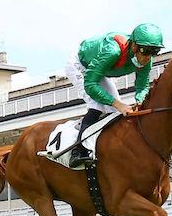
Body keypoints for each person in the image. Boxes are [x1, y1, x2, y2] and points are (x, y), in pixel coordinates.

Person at [64, 23, 163, 168]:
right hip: (80, 65)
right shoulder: (113, 51)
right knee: (97, 105)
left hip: (99, 70)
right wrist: (119, 104)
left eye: (154, 52)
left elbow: (142, 86)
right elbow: (90, 85)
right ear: (134, 46)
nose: (148, 57)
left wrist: (140, 101)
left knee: (115, 113)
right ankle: (78, 151)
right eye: (146, 51)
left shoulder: (146, 61)